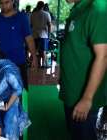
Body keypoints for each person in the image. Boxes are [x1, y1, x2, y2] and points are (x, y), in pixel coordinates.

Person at [60, 0, 107, 140]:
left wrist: (87, 98)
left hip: (84, 98)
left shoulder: (98, 8)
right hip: (71, 93)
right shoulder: (78, 9)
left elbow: (103, 56)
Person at [0, 0, 38, 91]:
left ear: (13, 1)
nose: (4, 6)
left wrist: (34, 57)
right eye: (1, 3)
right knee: (4, 92)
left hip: (19, 62)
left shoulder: (22, 18)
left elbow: (29, 39)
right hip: (2, 63)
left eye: (6, 2)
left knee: (22, 91)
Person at [31, 1, 51, 67]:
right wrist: (49, 34)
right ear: (43, 6)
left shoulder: (33, 14)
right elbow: (49, 25)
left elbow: (30, 25)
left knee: (36, 50)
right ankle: (45, 64)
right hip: (44, 35)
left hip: (35, 34)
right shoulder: (46, 14)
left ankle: (38, 64)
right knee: (43, 50)